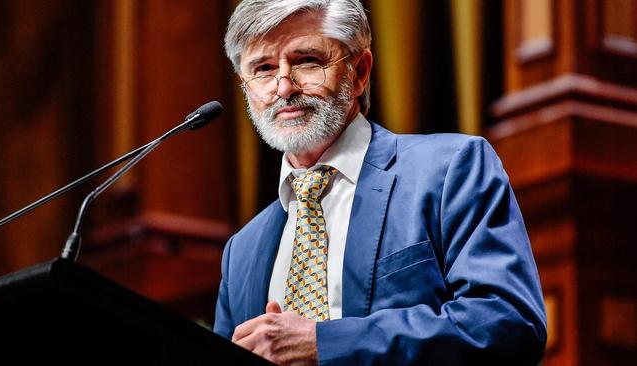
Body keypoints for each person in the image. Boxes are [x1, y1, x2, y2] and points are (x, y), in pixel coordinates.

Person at [214, 1, 547, 365]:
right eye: (263, 69)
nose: (283, 87)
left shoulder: (450, 169)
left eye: (307, 61)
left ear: (359, 72)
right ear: (246, 89)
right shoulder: (241, 252)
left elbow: (508, 323)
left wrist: (325, 342)